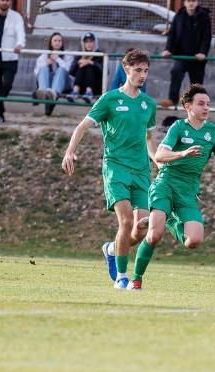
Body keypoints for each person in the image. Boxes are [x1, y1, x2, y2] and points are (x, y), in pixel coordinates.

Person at [129, 84, 215, 290]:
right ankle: (136, 279)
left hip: (188, 191)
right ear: (188, 106)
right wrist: (182, 153)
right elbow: (159, 155)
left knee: (193, 241)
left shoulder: (213, 132)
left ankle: (168, 219)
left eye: (208, 104)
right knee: (154, 235)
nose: (206, 108)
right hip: (165, 184)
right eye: (201, 104)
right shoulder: (178, 127)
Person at [61, 50, 157, 289]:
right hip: (116, 168)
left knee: (141, 229)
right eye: (138, 70)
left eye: (146, 71)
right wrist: (70, 151)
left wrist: (159, 162)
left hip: (141, 171)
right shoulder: (110, 99)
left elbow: (149, 138)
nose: (142, 75)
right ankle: (122, 277)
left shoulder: (149, 104)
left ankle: (112, 249)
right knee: (126, 221)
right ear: (126, 69)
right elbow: (82, 127)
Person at [160, 0, 212, 108]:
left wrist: (202, 52)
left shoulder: (204, 16)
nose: (191, 3)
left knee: (196, 83)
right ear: (185, 3)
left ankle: (196, 102)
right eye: (188, 1)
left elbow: (206, 36)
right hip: (182, 55)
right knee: (176, 72)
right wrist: (168, 49)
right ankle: (172, 99)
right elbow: (172, 34)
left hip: (197, 57)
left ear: (197, 2)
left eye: (193, 1)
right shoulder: (179, 16)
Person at [34, 32, 74, 102]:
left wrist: (58, 59)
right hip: (49, 83)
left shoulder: (67, 55)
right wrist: (45, 63)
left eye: (59, 41)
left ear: (62, 43)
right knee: (43, 68)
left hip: (65, 84)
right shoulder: (45, 54)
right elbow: (36, 73)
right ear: (51, 43)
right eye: (55, 41)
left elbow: (69, 72)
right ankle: (43, 92)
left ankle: (53, 93)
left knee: (62, 69)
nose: (57, 43)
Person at [68, 32, 103, 103]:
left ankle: (89, 92)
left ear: (95, 42)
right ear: (83, 43)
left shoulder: (99, 54)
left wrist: (91, 62)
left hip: (95, 88)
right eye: (86, 42)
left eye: (91, 41)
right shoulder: (80, 54)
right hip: (82, 88)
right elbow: (71, 72)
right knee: (81, 66)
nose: (88, 44)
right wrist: (78, 62)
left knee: (89, 67)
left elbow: (104, 71)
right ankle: (75, 92)